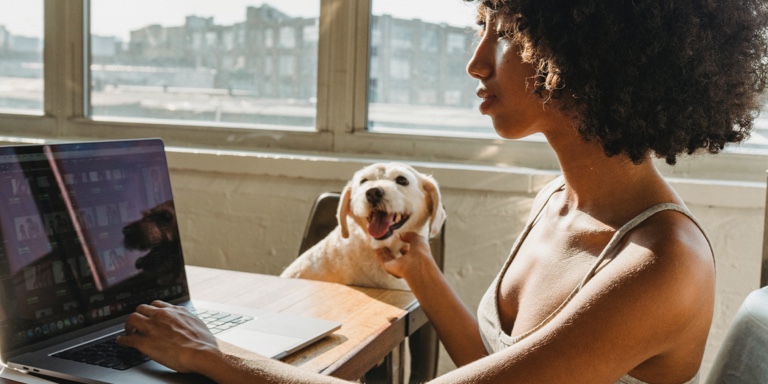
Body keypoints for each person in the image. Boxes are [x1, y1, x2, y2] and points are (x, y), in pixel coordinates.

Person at [117, 1, 768, 383]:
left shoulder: (662, 265)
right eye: (480, 26)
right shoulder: (556, 201)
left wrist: (213, 353)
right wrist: (421, 269)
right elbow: (494, 365)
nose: (477, 61)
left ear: (595, 51)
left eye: (505, 32)